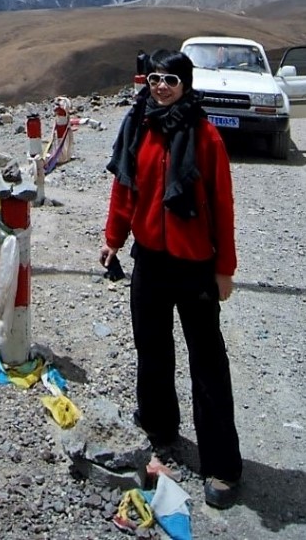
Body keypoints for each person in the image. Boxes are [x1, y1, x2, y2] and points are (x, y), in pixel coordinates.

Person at [100, 48, 242, 509]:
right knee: (153, 348)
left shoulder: (204, 137)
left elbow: (222, 205)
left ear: (187, 84)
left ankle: (222, 466)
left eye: (171, 80)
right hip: (151, 261)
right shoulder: (139, 126)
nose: (161, 87)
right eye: (155, 79)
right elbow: (125, 188)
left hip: (195, 263)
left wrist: (224, 269)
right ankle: (160, 427)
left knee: (207, 363)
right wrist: (113, 239)